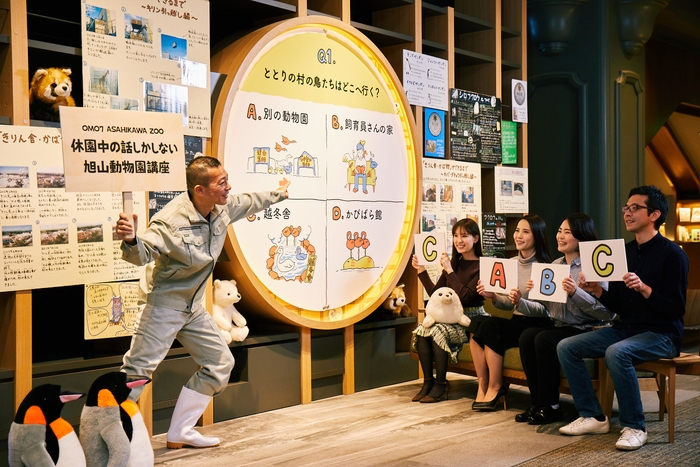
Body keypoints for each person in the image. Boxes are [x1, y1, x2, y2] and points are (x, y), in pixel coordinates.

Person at [115, 156, 290, 449]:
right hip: (165, 305)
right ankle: (111, 437)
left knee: (220, 363)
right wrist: (132, 240)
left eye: (226, 179)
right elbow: (140, 254)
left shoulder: (222, 207)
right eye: (221, 183)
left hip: (193, 307)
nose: (228, 187)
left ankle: (180, 431)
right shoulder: (171, 221)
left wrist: (280, 193)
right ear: (200, 190)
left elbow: (249, 201)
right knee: (137, 371)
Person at [557, 185, 689, 451]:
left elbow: (675, 309)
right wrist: (597, 291)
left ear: (654, 215)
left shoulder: (673, 254)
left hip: (662, 334)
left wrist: (644, 289)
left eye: (634, 208)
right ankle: (593, 415)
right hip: (626, 327)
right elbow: (617, 305)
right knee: (567, 346)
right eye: (625, 208)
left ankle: (635, 426)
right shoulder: (623, 252)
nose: (627, 213)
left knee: (617, 353)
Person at [516, 214, 614, 425]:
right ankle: (539, 403)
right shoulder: (555, 264)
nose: (560, 236)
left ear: (581, 236)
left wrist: (575, 292)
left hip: (588, 329)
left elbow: (606, 312)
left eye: (567, 232)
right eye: (559, 231)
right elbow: (547, 309)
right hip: (562, 325)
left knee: (543, 338)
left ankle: (552, 406)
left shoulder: (594, 264)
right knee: (527, 336)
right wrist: (528, 298)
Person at [470, 214, 553, 411]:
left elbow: (547, 311)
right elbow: (508, 305)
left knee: (490, 327)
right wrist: (494, 297)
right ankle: (483, 385)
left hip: (537, 324)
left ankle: (495, 386)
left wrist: (520, 302)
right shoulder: (511, 263)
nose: (519, 236)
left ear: (537, 236)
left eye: (526, 232)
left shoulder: (546, 266)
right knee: (478, 322)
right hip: (517, 320)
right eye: (517, 231)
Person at [410, 218, 486, 403]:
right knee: (422, 330)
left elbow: (466, 296)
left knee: (437, 331)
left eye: (464, 236)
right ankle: (428, 382)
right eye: (456, 236)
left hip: (470, 319)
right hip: (449, 317)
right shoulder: (453, 264)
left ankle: (441, 384)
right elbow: (436, 294)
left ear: (475, 239)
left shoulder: (482, 266)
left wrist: (450, 272)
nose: (459, 240)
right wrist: (421, 271)